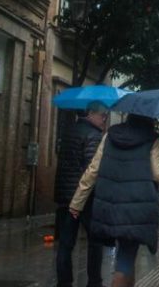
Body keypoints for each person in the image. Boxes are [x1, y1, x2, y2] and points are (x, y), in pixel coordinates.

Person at [70, 114, 159, 287]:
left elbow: (93, 170)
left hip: (109, 204)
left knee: (127, 255)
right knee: (125, 257)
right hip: (136, 209)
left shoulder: (110, 135)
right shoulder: (152, 140)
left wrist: (77, 202)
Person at [54, 101, 108, 287]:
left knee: (65, 244)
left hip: (64, 196)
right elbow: (91, 171)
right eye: (102, 116)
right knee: (95, 242)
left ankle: (64, 282)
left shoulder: (68, 131)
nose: (104, 120)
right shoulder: (94, 135)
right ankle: (94, 282)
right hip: (84, 199)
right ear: (91, 114)